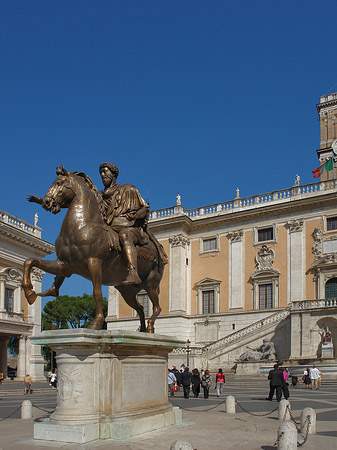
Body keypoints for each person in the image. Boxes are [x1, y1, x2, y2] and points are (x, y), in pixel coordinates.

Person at [98, 162, 167, 285]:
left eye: (105, 171)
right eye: (101, 172)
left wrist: (135, 215)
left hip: (129, 227)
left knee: (125, 235)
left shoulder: (128, 189)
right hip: (111, 228)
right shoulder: (101, 196)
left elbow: (144, 208)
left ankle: (133, 272)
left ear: (113, 174)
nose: (103, 175)